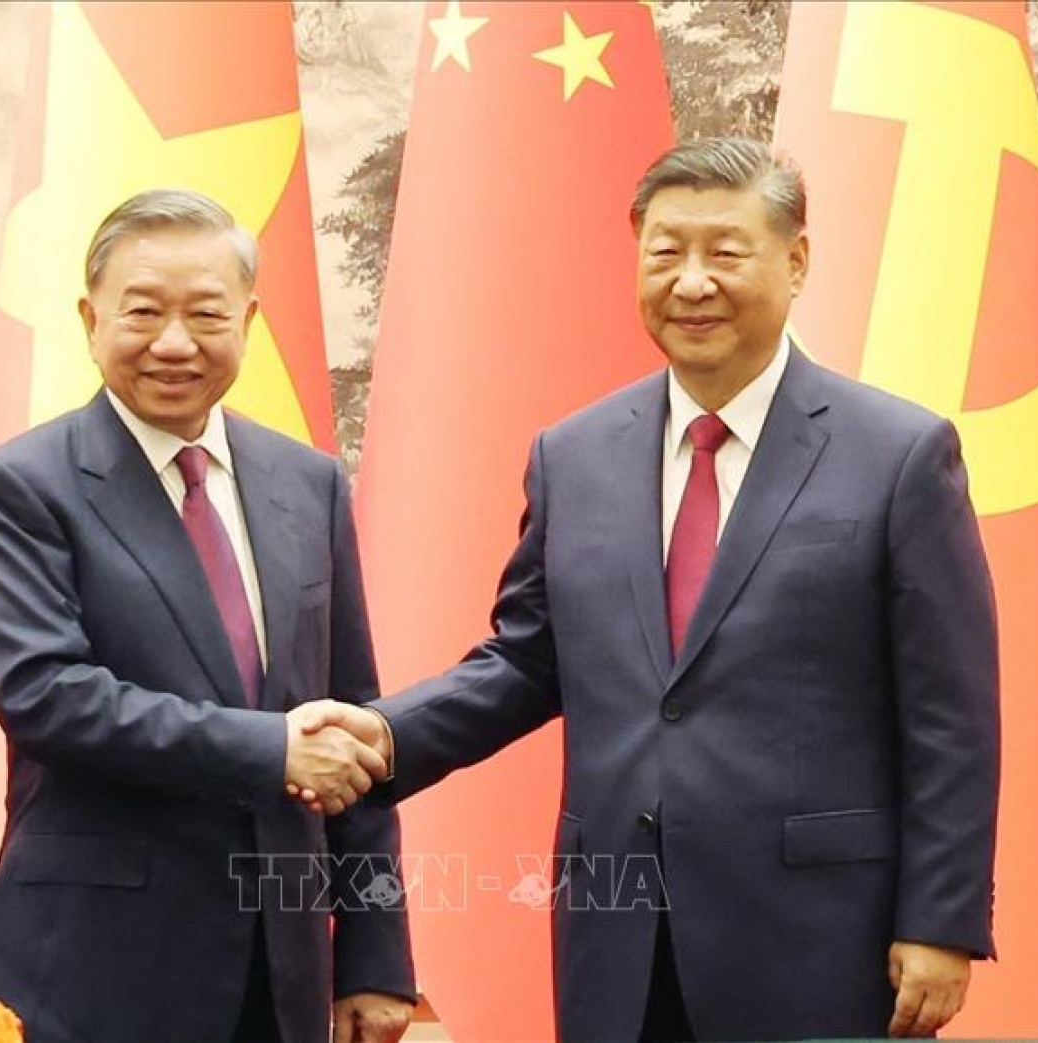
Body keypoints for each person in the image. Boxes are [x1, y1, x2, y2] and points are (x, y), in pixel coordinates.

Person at [298, 138, 1000, 1042]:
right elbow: (525, 660)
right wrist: (387, 736)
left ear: (797, 260)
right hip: (619, 934)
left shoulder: (899, 455)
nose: (692, 282)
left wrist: (941, 918)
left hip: (824, 937)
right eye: (665, 252)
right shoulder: (574, 454)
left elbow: (953, 711)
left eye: (725, 251)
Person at [0, 189, 415, 1043]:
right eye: (143, 312)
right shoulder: (22, 486)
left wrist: (373, 952)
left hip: (275, 974)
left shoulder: (307, 484)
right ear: (91, 317)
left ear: (246, 317)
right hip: (91, 971)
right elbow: (48, 696)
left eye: (206, 313)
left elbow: (352, 724)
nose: (175, 342)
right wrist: (273, 746)